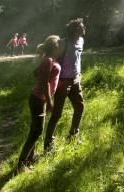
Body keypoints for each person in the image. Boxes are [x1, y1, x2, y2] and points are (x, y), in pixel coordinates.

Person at [16, 35, 64, 173]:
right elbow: (43, 82)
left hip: (38, 98)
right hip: (38, 99)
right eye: (59, 43)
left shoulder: (50, 60)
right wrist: (50, 101)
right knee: (36, 132)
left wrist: (54, 83)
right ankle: (21, 165)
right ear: (55, 46)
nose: (61, 45)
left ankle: (29, 159)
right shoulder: (48, 60)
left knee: (35, 130)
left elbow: (36, 74)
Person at [44, 18, 86, 151]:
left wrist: (78, 74)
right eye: (80, 28)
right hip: (63, 82)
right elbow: (52, 60)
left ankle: (73, 135)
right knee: (57, 114)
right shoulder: (63, 43)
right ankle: (48, 144)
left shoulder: (81, 40)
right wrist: (56, 80)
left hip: (75, 81)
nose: (83, 29)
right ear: (73, 30)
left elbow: (77, 59)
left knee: (79, 107)